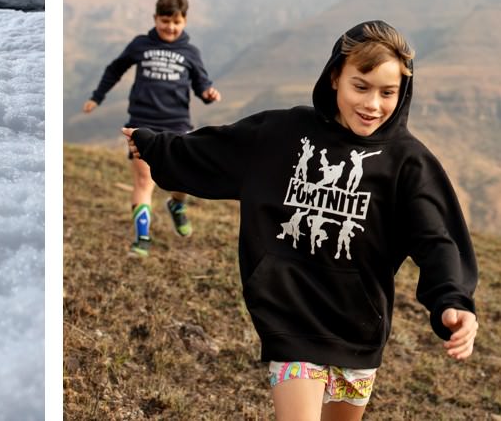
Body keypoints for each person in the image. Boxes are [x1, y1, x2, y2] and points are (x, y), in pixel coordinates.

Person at [125, 21, 477, 419]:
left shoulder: (408, 163)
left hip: (357, 329)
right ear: (335, 77)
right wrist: (154, 145)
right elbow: (218, 149)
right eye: (360, 86)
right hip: (291, 317)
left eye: (387, 92)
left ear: (403, 91)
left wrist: (453, 300)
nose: (372, 104)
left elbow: (438, 239)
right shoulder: (284, 133)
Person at [83, 0, 220, 255]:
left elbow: (201, 85)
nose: (170, 27)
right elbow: (115, 69)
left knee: (180, 180)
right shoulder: (140, 44)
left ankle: (176, 205)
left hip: (178, 124)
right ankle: (142, 240)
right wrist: (97, 97)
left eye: (176, 22)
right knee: (144, 181)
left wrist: (208, 94)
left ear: (184, 21)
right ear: (155, 18)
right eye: (165, 21)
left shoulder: (190, 52)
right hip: (141, 122)